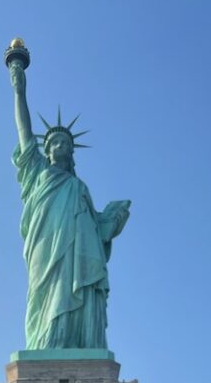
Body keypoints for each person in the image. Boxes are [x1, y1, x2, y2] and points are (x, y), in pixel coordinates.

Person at [8, 59, 131, 351]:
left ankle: (80, 344)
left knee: (82, 293)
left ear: (72, 152)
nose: (60, 146)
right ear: (47, 150)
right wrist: (19, 91)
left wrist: (112, 221)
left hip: (81, 253)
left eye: (66, 143)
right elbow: (25, 134)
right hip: (46, 245)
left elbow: (97, 230)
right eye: (55, 143)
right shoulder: (37, 173)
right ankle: (46, 345)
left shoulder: (79, 187)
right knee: (44, 296)